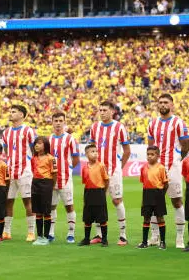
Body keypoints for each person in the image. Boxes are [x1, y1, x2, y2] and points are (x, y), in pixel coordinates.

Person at [147, 94, 188, 248]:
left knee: (176, 201)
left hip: (173, 167)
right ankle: (155, 237)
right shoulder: (153, 123)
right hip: (156, 169)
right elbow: (151, 147)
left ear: (172, 105)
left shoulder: (178, 122)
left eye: (166, 102)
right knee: (153, 202)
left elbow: (185, 145)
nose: (163, 104)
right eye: (160, 102)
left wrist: (177, 160)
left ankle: (179, 238)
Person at [89, 100, 130, 246]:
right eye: (100, 110)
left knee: (116, 200)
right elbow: (91, 149)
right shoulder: (95, 127)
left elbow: (127, 151)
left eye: (105, 110)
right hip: (97, 173)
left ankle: (123, 235)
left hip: (113, 171)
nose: (102, 112)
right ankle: (99, 234)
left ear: (112, 111)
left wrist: (119, 166)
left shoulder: (119, 127)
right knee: (97, 202)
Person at [2, 104, 37, 241]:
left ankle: (31, 232)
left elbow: (34, 150)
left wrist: (29, 163)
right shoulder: (6, 133)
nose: (10, 114)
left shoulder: (28, 131)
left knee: (27, 201)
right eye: (10, 111)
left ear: (22, 115)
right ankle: (7, 231)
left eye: (14, 112)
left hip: (25, 171)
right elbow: (6, 150)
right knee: (8, 201)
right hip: (10, 171)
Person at [48, 112, 80, 243]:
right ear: (52, 122)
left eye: (61, 120)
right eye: (56, 120)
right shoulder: (49, 139)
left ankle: (71, 233)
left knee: (69, 206)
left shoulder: (70, 139)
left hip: (65, 178)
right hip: (51, 178)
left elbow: (76, 158)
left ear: (64, 122)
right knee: (51, 206)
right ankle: (50, 232)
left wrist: (69, 169)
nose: (58, 123)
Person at [78, 144, 109, 247]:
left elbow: (106, 180)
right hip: (88, 193)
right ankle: (86, 239)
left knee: (102, 218)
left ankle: (104, 239)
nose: (95, 153)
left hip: (99, 192)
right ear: (86, 154)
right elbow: (85, 182)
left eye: (96, 151)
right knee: (87, 218)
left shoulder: (101, 166)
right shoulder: (84, 168)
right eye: (92, 151)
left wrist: (103, 192)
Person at [137, 146, 168, 250]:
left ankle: (163, 242)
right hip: (147, 194)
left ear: (158, 156)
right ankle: (144, 242)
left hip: (158, 194)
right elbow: (143, 183)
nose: (149, 156)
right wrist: (143, 198)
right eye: (148, 154)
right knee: (146, 218)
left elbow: (165, 184)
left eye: (152, 154)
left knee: (160, 218)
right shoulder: (143, 168)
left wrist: (161, 195)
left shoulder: (161, 168)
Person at [31, 136, 57, 246]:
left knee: (46, 211)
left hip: (46, 183)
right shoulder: (34, 158)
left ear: (45, 145)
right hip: (35, 183)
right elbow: (33, 170)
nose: (37, 145)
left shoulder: (51, 158)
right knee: (37, 211)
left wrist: (51, 185)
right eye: (36, 143)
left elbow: (54, 174)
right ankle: (39, 236)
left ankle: (46, 237)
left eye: (40, 143)